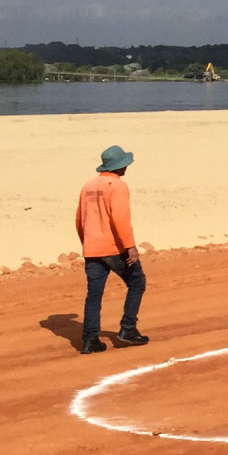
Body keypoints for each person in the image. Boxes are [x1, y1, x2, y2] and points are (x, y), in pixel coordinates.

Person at [75, 144, 149, 354]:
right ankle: (128, 329)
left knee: (94, 295)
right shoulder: (118, 186)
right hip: (114, 248)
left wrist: (86, 242)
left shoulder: (88, 185)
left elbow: (79, 219)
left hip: (92, 248)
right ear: (119, 167)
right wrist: (130, 246)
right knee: (137, 282)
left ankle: (89, 340)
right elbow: (120, 219)